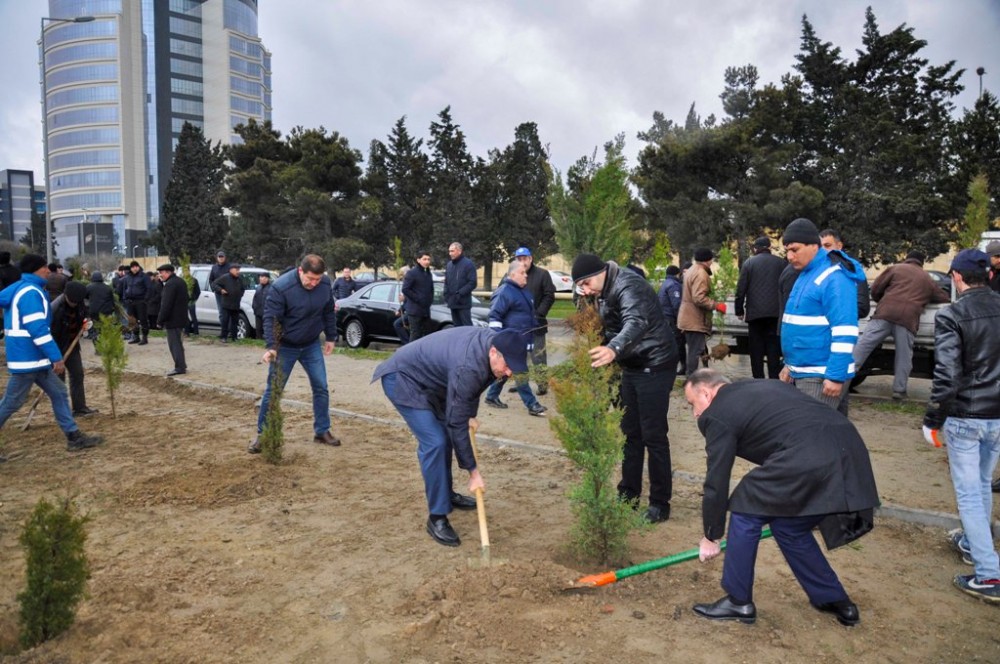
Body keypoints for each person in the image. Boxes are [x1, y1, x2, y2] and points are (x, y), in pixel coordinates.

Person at [684, 368, 878, 626]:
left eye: (692, 404)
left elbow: (716, 481)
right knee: (789, 527)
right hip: (849, 448)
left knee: (745, 505)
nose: (695, 413)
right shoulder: (761, 388)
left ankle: (738, 601)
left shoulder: (718, 413)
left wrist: (711, 534)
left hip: (809, 454)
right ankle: (834, 599)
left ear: (706, 393)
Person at [372, 326, 529, 546]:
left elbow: (472, 389)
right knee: (435, 442)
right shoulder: (469, 363)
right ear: (494, 351)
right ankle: (437, 517)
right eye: (508, 366)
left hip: (434, 383)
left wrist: (470, 416)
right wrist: (473, 472)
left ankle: (446, 493)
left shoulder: (491, 350)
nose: (509, 373)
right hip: (403, 379)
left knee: (445, 436)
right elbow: (459, 414)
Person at [572, 253, 678, 524]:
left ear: (600, 272)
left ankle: (659, 503)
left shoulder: (628, 285)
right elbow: (612, 324)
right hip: (632, 365)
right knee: (631, 432)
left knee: (653, 435)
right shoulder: (602, 290)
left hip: (655, 362)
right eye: (580, 286)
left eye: (585, 283)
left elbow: (636, 322)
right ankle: (628, 493)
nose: (585, 289)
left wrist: (613, 349)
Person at [922, 248, 1000, 603]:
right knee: (982, 484)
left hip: (967, 416)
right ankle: (973, 542)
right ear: (990, 275)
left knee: (970, 494)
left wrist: (932, 418)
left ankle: (989, 575)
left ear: (955, 277)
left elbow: (948, 374)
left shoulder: (952, 314)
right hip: (996, 416)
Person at [0, 255, 102, 454]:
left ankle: (73, 436)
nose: (49, 270)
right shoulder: (30, 293)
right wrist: (56, 357)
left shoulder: (22, 289)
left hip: (36, 360)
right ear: (36, 270)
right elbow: (38, 329)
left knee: (59, 392)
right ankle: (73, 436)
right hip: (27, 360)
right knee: (11, 403)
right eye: (45, 267)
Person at [248, 254, 341, 454]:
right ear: (300, 271)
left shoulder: (324, 284)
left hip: (310, 345)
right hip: (285, 347)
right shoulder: (282, 288)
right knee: (273, 391)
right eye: (310, 279)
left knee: (321, 387)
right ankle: (263, 435)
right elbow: (271, 319)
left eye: (318, 279)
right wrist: (272, 346)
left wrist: (331, 337)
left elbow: (328, 311)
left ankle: (322, 431)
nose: (314, 283)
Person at [779, 218, 866, 409]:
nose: (790, 257)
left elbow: (845, 330)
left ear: (814, 246)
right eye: (787, 251)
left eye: (795, 249)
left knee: (810, 434)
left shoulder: (834, 277)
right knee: (829, 435)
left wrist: (835, 375)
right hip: (805, 371)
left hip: (820, 375)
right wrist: (790, 365)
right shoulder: (806, 274)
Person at [853, 251, 949, 400]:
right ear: (921, 263)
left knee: (863, 347)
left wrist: (883, 300)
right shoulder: (927, 279)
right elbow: (943, 297)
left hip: (884, 313)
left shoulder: (896, 268)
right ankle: (899, 391)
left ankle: (842, 379)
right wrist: (923, 298)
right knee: (904, 356)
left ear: (907, 259)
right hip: (908, 319)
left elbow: (876, 288)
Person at [484, 262, 546, 416]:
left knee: (507, 371)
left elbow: (528, 318)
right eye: (522, 273)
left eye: (526, 273)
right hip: (509, 341)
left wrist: (530, 342)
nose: (526, 275)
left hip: (521, 340)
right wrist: (497, 340)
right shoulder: (504, 292)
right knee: (521, 372)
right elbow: (494, 316)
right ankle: (532, 405)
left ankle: (491, 396)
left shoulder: (524, 292)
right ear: (512, 275)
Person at [734, 236, 785, 379]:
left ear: (755, 248)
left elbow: (741, 289)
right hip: (775, 314)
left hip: (755, 314)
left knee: (756, 350)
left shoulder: (749, 263)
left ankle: (758, 379)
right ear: (769, 247)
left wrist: (739, 310)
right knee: (773, 349)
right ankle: (774, 380)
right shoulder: (781, 263)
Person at [512, 246, 556, 395]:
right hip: (518, 324)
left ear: (531, 259)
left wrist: (540, 313)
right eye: (519, 259)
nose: (522, 262)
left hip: (536, 323)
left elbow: (549, 295)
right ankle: (520, 383)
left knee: (538, 356)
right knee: (518, 356)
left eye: (524, 259)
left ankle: (542, 384)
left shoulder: (543, 274)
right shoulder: (513, 275)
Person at [51, 281, 97, 416]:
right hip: (57, 347)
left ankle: (79, 408)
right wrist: (55, 357)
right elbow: (51, 335)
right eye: (73, 302)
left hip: (73, 344)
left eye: (78, 302)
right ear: (66, 296)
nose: (75, 304)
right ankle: (62, 411)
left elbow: (85, 313)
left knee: (77, 374)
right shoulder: (55, 309)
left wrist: (86, 321)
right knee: (59, 379)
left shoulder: (79, 301)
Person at [678, 248, 726, 375]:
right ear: (707, 260)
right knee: (695, 351)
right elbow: (699, 298)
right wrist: (716, 305)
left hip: (688, 317)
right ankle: (691, 380)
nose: (712, 262)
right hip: (694, 319)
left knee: (695, 349)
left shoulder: (692, 270)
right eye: (711, 259)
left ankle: (696, 376)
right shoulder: (701, 274)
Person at [820, 229, 872, 320]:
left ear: (839, 246)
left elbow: (862, 307)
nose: (823, 250)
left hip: (843, 326)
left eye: (827, 245)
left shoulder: (852, 268)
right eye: (820, 247)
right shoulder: (814, 269)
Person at [157, 264, 189, 377]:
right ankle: (182, 365)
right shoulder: (181, 282)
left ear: (168, 272)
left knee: (174, 344)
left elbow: (166, 305)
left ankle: (179, 367)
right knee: (178, 344)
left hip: (173, 319)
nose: (160, 275)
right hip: (181, 318)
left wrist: (160, 320)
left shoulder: (170, 285)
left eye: (162, 273)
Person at [402, 251, 434, 342]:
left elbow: (431, 289)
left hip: (426, 309)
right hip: (415, 310)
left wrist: (430, 300)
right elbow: (405, 289)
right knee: (415, 334)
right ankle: (410, 355)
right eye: (424, 259)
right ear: (418, 260)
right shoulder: (412, 273)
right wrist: (418, 298)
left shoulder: (428, 273)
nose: (427, 261)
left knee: (428, 334)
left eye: (428, 259)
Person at [444, 242, 477, 326]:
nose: (450, 253)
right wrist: (446, 294)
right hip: (452, 302)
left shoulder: (468, 264)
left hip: (463, 303)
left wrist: (460, 293)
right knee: (457, 329)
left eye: (452, 251)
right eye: (449, 251)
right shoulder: (449, 265)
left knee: (467, 327)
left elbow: (472, 282)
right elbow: (447, 282)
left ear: (459, 251)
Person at [212, 263, 245, 343]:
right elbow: (214, 284)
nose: (238, 272)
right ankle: (224, 337)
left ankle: (234, 337)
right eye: (236, 270)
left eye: (238, 270)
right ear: (231, 270)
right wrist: (221, 290)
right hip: (226, 303)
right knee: (225, 321)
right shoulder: (225, 277)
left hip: (236, 304)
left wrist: (240, 294)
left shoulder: (239, 279)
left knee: (235, 321)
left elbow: (243, 288)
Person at [86, 271, 115, 351]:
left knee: (95, 330)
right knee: (106, 330)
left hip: (94, 312)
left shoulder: (89, 287)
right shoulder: (107, 287)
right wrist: (112, 310)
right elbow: (112, 300)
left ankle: (98, 348)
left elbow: (85, 297)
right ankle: (107, 348)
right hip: (106, 312)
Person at [122, 260, 150, 345]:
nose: (134, 268)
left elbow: (149, 288)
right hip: (130, 301)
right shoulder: (127, 277)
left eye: (136, 266)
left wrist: (145, 299)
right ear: (131, 268)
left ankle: (144, 337)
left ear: (138, 267)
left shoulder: (143, 276)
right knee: (132, 321)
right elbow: (125, 288)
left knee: (143, 319)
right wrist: (125, 298)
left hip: (140, 301)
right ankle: (136, 337)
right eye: (133, 267)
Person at [209, 250, 230, 314]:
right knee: (221, 312)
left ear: (225, 257)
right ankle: (223, 324)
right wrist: (217, 289)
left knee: (229, 312)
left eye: (222, 257)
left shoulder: (229, 267)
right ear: (217, 258)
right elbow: (211, 280)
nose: (221, 258)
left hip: (228, 293)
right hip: (218, 293)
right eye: (219, 257)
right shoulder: (214, 267)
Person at [252, 272, 272, 339]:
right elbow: (255, 298)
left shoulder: (271, 288)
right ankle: (258, 339)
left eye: (265, 277)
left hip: (267, 312)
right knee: (258, 328)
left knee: (267, 328)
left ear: (268, 279)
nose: (263, 279)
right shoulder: (258, 287)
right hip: (258, 311)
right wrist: (254, 307)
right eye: (261, 277)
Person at [184, 269, 201, 336]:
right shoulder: (183, 280)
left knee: (193, 316)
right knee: (185, 316)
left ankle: (195, 332)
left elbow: (198, 291)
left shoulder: (193, 280)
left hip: (191, 300)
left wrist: (194, 299)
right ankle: (187, 332)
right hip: (184, 300)